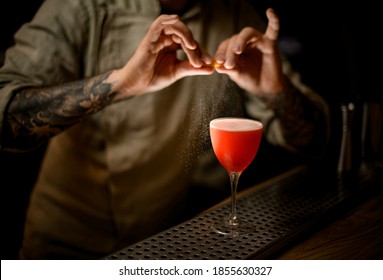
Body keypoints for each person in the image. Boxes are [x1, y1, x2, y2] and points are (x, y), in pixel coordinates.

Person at [0, 0, 329, 259]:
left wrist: (275, 91)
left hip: (164, 242)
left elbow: (313, 141)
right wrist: (121, 84)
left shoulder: (234, 13)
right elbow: (6, 122)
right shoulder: (82, 6)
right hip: (65, 249)